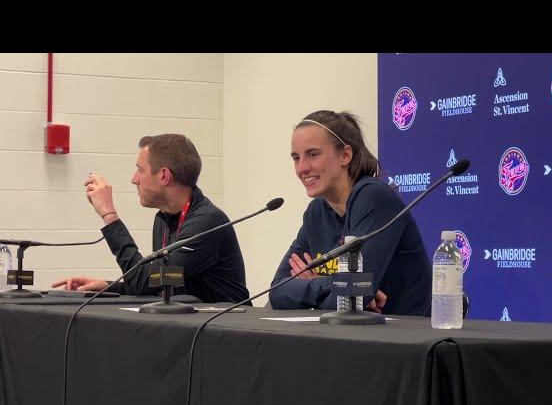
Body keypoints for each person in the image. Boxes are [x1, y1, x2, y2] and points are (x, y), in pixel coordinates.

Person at [52, 134, 250, 303]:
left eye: (140, 170)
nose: (134, 179)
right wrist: (109, 287)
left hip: (223, 336)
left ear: (164, 176)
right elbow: (159, 283)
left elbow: (144, 280)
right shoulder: (164, 219)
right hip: (188, 328)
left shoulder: (207, 223)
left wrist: (109, 215)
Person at [269, 110, 432, 316]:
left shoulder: (374, 197)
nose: (302, 168)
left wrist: (322, 287)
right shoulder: (317, 211)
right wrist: (331, 286)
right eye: (296, 157)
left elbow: (352, 296)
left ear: (345, 155)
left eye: (312, 154)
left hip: (405, 338)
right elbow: (277, 292)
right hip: (351, 336)